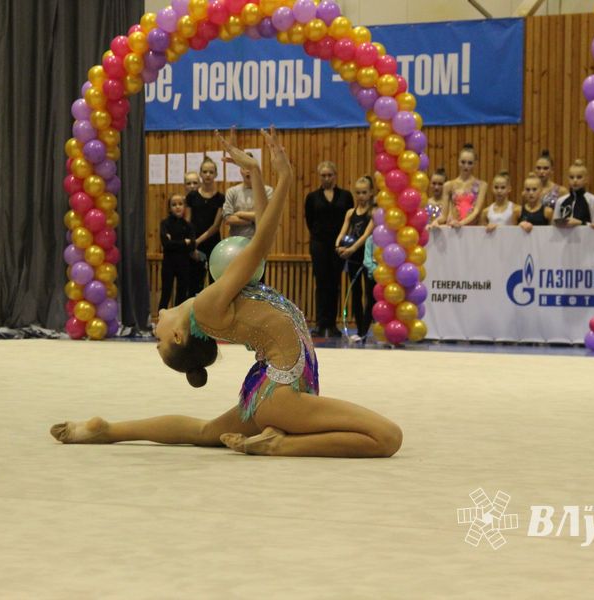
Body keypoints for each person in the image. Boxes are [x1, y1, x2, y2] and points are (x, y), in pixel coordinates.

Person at [50, 128, 403, 458]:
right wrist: (285, 180)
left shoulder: (211, 303)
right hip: (281, 392)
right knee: (387, 438)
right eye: (159, 341)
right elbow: (261, 245)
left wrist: (256, 176)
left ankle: (107, 430)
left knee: (205, 432)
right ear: (179, 334)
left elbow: (257, 241)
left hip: (272, 388)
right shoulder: (205, 307)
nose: (154, 330)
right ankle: (279, 446)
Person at [305, 160, 353, 338]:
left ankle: (333, 324)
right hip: (319, 244)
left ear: (335, 175)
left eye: (329, 175)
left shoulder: (345, 196)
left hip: (338, 245)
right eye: (323, 175)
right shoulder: (312, 197)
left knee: (335, 284)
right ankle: (320, 323)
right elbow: (309, 220)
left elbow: (349, 219)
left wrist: (341, 241)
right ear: (320, 177)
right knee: (321, 283)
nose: (327, 178)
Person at [335, 176, 376, 341]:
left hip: (365, 257)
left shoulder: (373, 213)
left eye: (364, 192)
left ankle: (365, 331)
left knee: (369, 295)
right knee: (356, 294)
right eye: (358, 193)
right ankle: (359, 329)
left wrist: (351, 249)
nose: (361, 196)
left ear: (371, 193)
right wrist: (337, 245)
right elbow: (343, 231)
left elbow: (366, 235)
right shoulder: (350, 213)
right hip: (351, 258)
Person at [186, 157, 225, 293]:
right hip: (195, 245)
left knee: (215, 283)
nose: (208, 175)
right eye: (205, 172)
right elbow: (188, 221)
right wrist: (192, 243)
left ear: (215, 174)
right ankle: (193, 313)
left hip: (213, 243)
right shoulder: (192, 196)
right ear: (201, 174)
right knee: (194, 283)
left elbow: (215, 226)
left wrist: (198, 241)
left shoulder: (220, 198)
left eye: (211, 172)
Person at [158, 194, 197, 314]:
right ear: (169, 208)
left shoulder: (188, 225)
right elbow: (166, 244)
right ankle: (161, 321)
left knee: (181, 294)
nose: (177, 207)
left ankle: (177, 321)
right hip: (168, 263)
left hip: (184, 263)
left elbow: (192, 245)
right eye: (174, 205)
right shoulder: (165, 224)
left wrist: (174, 242)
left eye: (180, 204)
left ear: (184, 207)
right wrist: (183, 243)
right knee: (166, 292)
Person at [223, 154, 274, 238]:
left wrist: (239, 213)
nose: (247, 171)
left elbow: (268, 216)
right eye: (244, 167)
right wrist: (253, 221)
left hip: (260, 241)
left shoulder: (267, 191)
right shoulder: (231, 192)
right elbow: (228, 219)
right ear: (240, 170)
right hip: (236, 241)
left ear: (256, 170)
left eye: (250, 167)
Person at [438, 143, 487, 228]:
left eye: (470, 163)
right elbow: (443, 216)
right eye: (463, 162)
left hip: (472, 229)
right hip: (453, 228)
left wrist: (461, 223)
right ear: (458, 161)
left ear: (475, 164)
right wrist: (435, 222)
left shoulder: (482, 185)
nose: (466, 166)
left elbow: (476, 211)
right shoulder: (448, 185)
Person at [552, 159, 594, 229]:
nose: (575, 180)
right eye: (571, 177)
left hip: (586, 239)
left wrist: (580, 223)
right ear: (568, 179)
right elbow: (554, 225)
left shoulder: (592, 200)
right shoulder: (560, 201)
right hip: (564, 239)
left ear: (586, 179)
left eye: (579, 177)